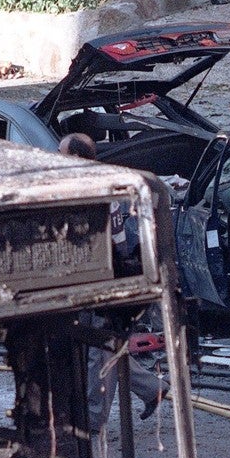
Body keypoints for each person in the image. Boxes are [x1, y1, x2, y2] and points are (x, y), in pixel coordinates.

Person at [59, 133, 169, 427]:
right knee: (103, 345)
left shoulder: (94, 190)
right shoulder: (92, 185)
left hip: (102, 281)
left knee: (99, 350)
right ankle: (152, 389)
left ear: (76, 158)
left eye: (61, 153)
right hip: (89, 279)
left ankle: (94, 418)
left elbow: (116, 244)